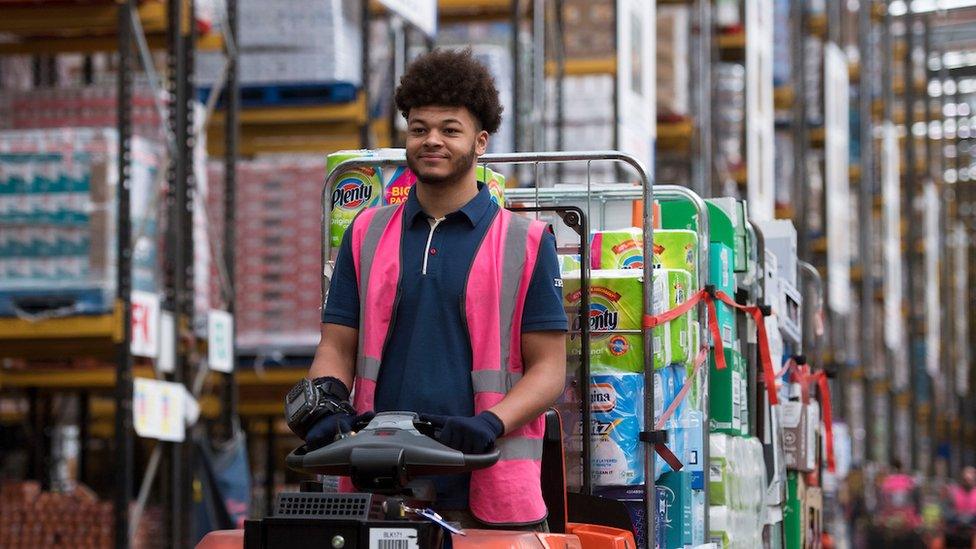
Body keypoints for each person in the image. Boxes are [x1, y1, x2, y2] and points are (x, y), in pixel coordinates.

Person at [293, 48, 568, 531]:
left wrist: (490, 423)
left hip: (489, 486)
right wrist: (327, 401)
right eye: (419, 129)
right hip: (380, 485)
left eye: (449, 129)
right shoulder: (366, 232)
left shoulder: (525, 241)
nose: (432, 140)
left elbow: (549, 369)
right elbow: (337, 344)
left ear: (480, 142)